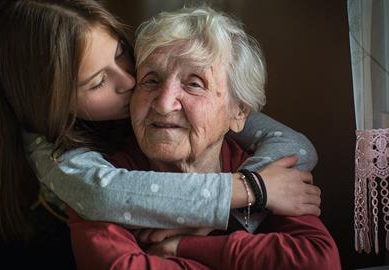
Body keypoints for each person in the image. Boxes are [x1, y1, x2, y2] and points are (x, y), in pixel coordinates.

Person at [0, 0, 319, 247]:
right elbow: (104, 194)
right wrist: (252, 190)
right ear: (50, 105)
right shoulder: (53, 151)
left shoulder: (191, 105)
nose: (130, 81)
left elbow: (295, 145)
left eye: (120, 55)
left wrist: (235, 210)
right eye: (97, 82)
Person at [65, 5, 341, 269]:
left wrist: (182, 246)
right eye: (151, 79)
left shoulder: (265, 170)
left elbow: (318, 261)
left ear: (239, 112)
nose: (164, 103)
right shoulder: (105, 181)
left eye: (194, 83)